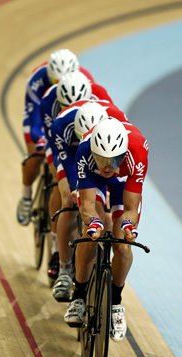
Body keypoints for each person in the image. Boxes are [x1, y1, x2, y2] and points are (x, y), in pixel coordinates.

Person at [63, 116, 149, 341]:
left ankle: (116, 302)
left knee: (122, 246)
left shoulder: (137, 151)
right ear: (93, 151)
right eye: (102, 158)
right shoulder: (84, 150)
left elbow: (131, 207)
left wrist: (129, 226)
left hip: (124, 184)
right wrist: (93, 223)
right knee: (90, 235)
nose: (108, 166)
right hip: (94, 180)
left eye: (114, 159)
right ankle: (79, 295)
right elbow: (88, 207)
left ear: (123, 152)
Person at [51, 100, 129, 302]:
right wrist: (74, 188)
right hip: (73, 155)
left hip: (102, 159)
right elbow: (67, 162)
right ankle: (64, 269)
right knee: (68, 201)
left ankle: (98, 265)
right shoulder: (61, 124)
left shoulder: (117, 124)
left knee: (106, 214)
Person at [17, 49, 93, 227]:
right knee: (35, 157)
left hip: (75, 122)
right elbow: (34, 122)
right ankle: (26, 196)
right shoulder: (37, 82)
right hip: (46, 117)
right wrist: (41, 140)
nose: (59, 83)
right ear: (50, 77)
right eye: (55, 82)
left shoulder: (86, 81)